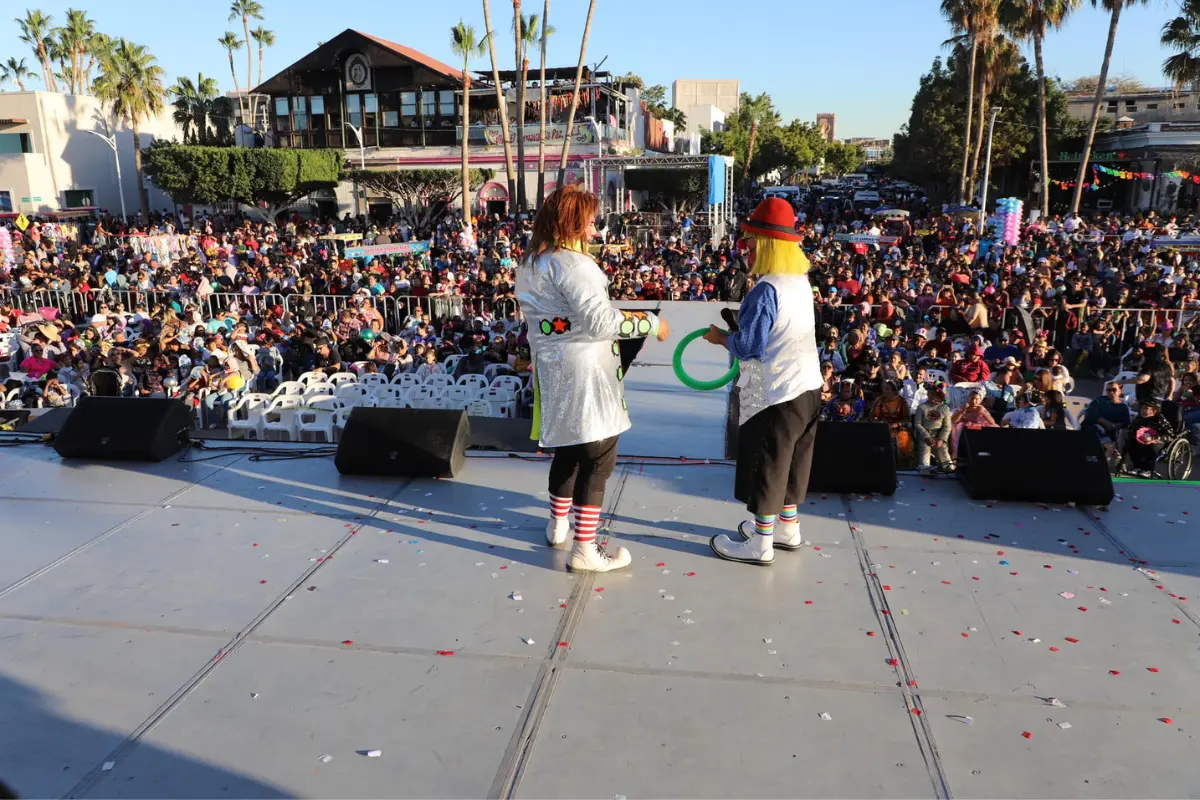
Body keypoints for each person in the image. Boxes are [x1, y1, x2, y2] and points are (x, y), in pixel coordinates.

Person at [516, 187, 669, 573]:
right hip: (586, 372)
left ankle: (558, 526)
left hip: (553, 370)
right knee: (598, 457)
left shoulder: (532, 263)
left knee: (568, 448)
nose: (592, 224)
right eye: (587, 217)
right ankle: (585, 549)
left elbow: (564, 319)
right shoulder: (575, 264)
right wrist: (650, 322)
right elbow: (600, 323)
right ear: (571, 221)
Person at [703, 197, 823, 566]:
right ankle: (787, 528)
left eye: (752, 241)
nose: (747, 248)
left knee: (767, 462)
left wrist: (720, 338)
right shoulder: (800, 283)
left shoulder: (766, 289)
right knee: (794, 460)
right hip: (809, 386)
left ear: (767, 244)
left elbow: (750, 347)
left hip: (775, 391)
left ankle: (761, 542)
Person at [1084, 381, 1133, 462]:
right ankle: (1110, 448)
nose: (1111, 392)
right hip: (1095, 426)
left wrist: (1115, 425)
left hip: (1112, 431)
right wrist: (1105, 422)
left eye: (1114, 389)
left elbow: (1126, 422)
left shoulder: (1122, 407)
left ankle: (1107, 449)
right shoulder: (1099, 400)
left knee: (1098, 430)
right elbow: (1089, 413)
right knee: (1095, 427)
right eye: (1108, 390)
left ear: (1120, 391)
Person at [869, 379, 914, 465]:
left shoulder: (902, 401)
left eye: (887, 389)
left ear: (894, 391)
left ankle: (901, 467)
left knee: (903, 440)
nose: (884, 391)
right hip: (882, 427)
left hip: (898, 428)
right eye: (884, 388)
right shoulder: (879, 400)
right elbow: (873, 416)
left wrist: (897, 424)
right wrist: (881, 423)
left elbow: (907, 418)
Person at [1125, 399, 1171, 477]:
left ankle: (1148, 470)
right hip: (1142, 439)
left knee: (1151, 447)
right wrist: (1135, 436)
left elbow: (1170, 436)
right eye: (1142, 408)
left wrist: (1153, 438)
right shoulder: (1139, 418)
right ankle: (1137, 466)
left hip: (1158, 441)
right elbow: (1131, 429)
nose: (1142, 410)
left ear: (1153, 411)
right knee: (1131, 443)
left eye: (1146, 409)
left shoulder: (1160, 420)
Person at [914, 383, 953, 471]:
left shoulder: (945, 408)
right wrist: (927, 436)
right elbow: (917, 424)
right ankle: (925, 474)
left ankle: (949, 472)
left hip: (939, 436)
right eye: (930, 394)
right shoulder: (922, 407)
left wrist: (941, 439)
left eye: (935, 395)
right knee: (924, 462)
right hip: (925, 437)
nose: (932, 397)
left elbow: (947, 426)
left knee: (945, 458)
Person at [950, 387, 998, 457]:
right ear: (968, 398)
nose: (974, 401)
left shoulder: (981, 409)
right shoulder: (962, 408)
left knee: (995, 428)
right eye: (972, 398)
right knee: (960, 427)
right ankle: (959, 453)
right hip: (966, 429)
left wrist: (983, 413)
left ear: (980, 400)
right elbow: (954, 420)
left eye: (976, 399)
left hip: (979, 428)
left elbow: (992, 422)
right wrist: (963, 411)